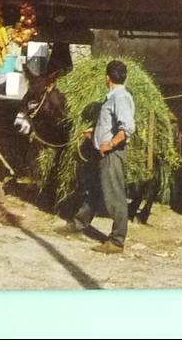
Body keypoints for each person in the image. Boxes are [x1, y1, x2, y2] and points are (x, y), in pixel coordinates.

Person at [56, 59, 136, 253]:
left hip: (111, 155)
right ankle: (79, 223)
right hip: (101, 153)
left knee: (115, 195)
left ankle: (117, 241)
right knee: (92, 190)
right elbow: (112, 124)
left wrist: (110, 144)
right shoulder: (113, 97)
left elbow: (127, 128)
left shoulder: (120, 98)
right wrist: (95, 131)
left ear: (107, 78)